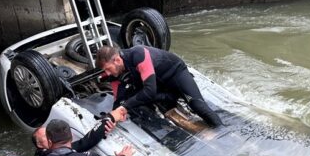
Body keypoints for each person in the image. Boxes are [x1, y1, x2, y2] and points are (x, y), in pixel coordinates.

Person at [95, 45, 223, 127]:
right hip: (158, 83)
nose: (107, 73)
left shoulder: (138, 54)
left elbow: (150, 91)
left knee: (197, 106)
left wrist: (124, 107)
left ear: (117, 60)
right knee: (135, 100)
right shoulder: (114, 73)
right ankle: (171, 97)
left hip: (175, 74)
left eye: (107, 69)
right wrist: (113, 117)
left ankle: (222, 131)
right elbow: (118, 99)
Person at [30, 113, 118, 156]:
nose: (50, 135)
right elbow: (84, 144)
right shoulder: (50, 153)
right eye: (46, 135)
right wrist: (108, 119)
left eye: (49, 132)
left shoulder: (40, 154)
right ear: (39, 144)